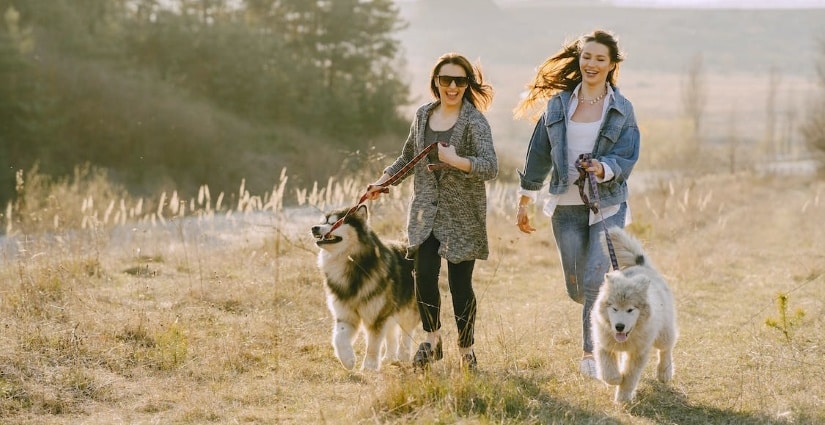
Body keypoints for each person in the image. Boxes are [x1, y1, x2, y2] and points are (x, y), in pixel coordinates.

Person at [512, 29, 640, 378]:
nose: (592, 64)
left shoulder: (621, 109)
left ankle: (591, 354)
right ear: (579, 59)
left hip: (607, 205)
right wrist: (525, 197)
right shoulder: (558, 105)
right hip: (565, 204)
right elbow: (538, 152)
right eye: (587, 57)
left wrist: (603, 168)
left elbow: (627, 156)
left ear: (612, 65)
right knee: (577, 287)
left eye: (600, 59)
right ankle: (602, 323)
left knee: (597, 279)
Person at [366, 52, 498, 371]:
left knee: (459, 286)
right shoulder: (423, 114)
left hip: (462, 216)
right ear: (435, 82)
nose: (452, 86)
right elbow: (408, 157)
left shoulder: (474, 121)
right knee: (423, 278)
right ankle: (432, 340)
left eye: (460, 81)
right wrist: (382, 182)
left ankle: (466, 349)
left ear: (467, 85)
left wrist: (456, 161)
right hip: (425, 214)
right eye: (446, 80)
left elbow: (490, 166)